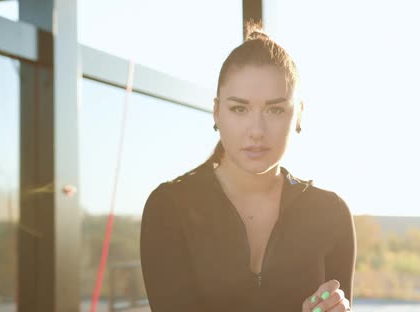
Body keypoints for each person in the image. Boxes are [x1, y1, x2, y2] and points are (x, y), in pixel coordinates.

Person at [140, 22, 356, 312]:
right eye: (239, 109)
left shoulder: (331, 212)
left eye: (275, 109)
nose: (256, 130)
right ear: (217, 112)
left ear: (299, 114)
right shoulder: (169, 207)